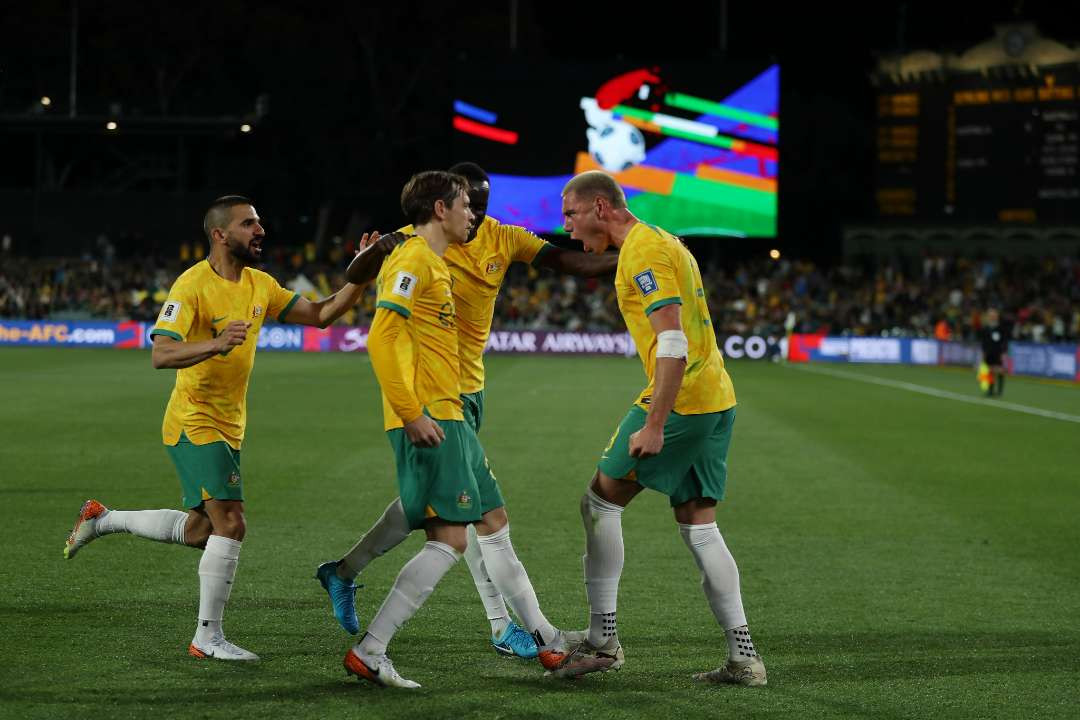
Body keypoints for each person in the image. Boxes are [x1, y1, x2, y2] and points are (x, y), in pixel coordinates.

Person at [317, 162, 617, 660]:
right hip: (429, 396)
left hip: (464, 393)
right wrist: (368, 256)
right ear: (446, 207)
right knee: (475, 516)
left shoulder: (501, 238)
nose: (474, 214)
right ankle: (512, 629)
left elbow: (566, 263)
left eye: (481, 203)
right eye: (466, 204)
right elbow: (367, 296)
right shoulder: (417, 245)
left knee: (435, 505)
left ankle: (344, 573)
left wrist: (631, 256)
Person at [63, 195, 382, 661]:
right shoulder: (192, 285)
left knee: (200, 532)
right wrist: (215, 343)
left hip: (230, 426)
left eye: (260, 222)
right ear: (220, 234)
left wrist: (361, 275)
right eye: (248, 223)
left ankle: (102, 518)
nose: (260, 230)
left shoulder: (259, 283)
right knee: (231, 525)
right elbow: (161, 353)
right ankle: (206, 638)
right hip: (196, 420)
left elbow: (320, 314)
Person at [550, 171, 766, 685]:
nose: (568, 227)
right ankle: (744, 658)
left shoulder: (645, 252)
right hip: (717, 398)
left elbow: (672, 343)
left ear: (601, 207)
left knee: (600, 502)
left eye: (571, 214)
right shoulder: (660, 241)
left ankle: (602, 642)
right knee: (699, 524)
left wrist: (654, 424)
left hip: (684, 402)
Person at [979, 308, 1008, 397]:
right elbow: (983, 341)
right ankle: (990, 391)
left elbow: (1004, 341)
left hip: (998, 352)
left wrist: (1003, 353)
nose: (992, 317)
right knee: (989, 371)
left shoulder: (1001, 327)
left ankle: (1000, 391)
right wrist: (983, 352)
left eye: (993, 315)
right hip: (988, 352)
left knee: (1000, 370)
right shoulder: (986, 328)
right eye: (990, 315)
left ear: (997, 316)